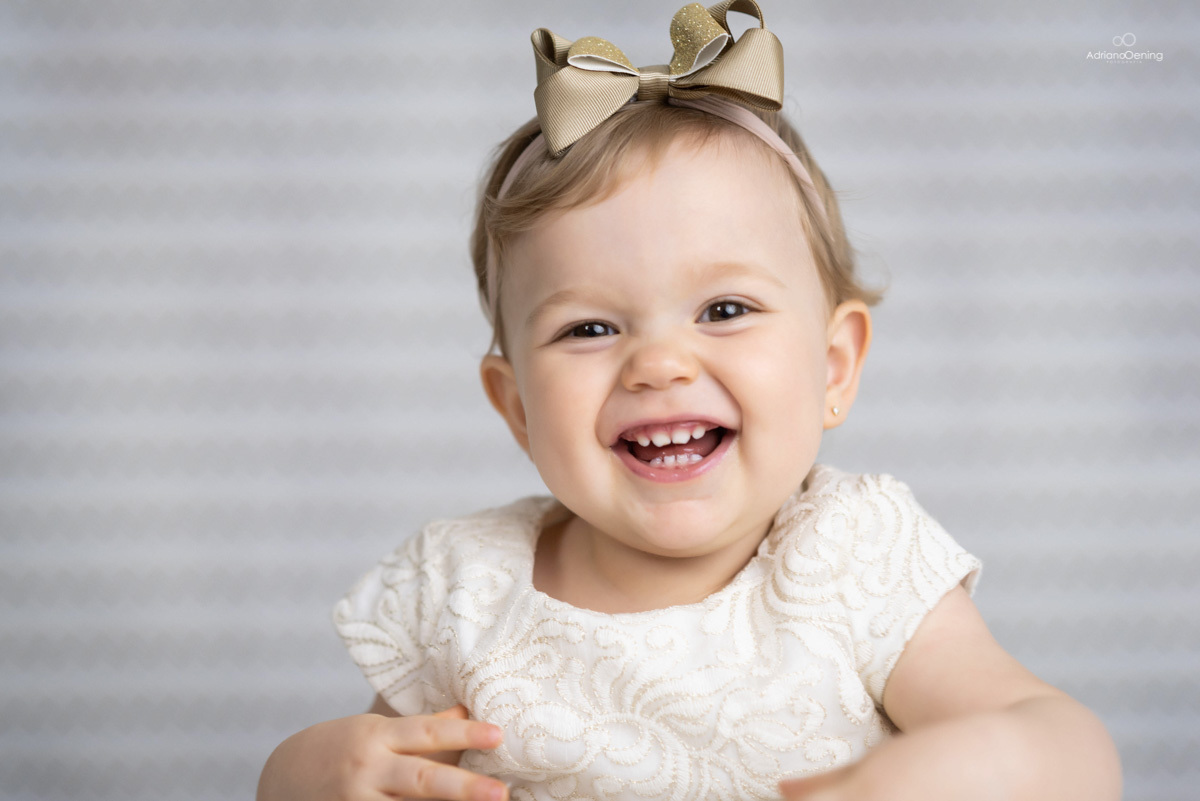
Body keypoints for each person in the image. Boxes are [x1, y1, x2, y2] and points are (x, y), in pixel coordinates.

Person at [257, 3, 1121, 800]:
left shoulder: (852, 561)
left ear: (833, 366)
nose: (659, 364)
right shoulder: (464, 590)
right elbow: (380, 764)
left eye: (724, 310)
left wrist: (969, 764)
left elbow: (1064, 742)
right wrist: (301, 774)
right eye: (590, 328)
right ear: (517, 407)